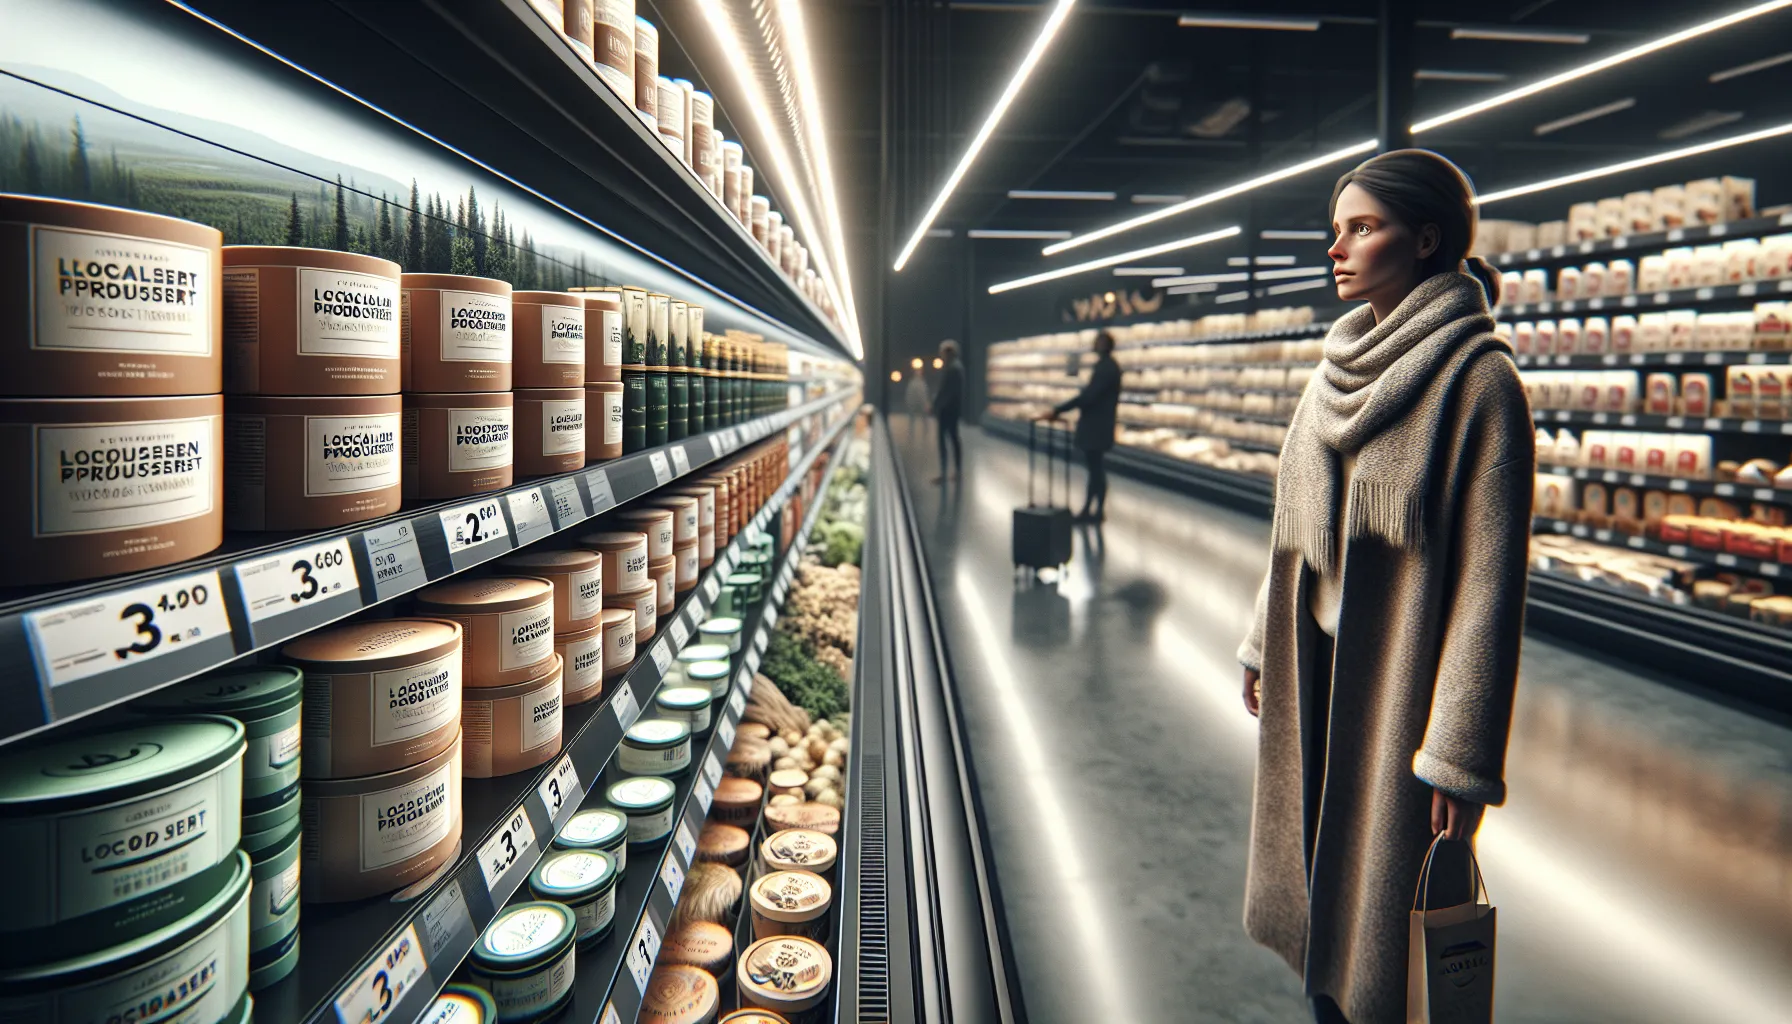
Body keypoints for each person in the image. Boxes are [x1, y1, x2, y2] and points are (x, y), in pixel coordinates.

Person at [1235, 149, 1531, 1024]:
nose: (1339, 248)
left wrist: (1459, 753)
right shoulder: (1334, 372)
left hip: (1400, 683)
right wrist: (1261, 640)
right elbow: (1293, 528)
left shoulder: (1479, 382)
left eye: (1363, 228)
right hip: (1314, 665)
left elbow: (1488, 586)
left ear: (1426, 238)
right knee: (1316, 867)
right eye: (1337, 231)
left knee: (1382, 909)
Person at [1045, 329, 1122, 522]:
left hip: (1097, 425)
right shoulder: (1107, 366)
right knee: (1095, 469)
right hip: (1100, 424)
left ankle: (1092, 510)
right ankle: (1092, 509)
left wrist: (1059, 409)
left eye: (1097, 342)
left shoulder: (1106, 368)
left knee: (1095, 469)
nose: (1094, 345)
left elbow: (1089, 397)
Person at [931, 339, 965, 484]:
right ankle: (956, 471)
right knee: (953, 439)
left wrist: (936, 405)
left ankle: (945, 473)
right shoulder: (956, 368)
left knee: (944, 440)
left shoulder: (952, 369)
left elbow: (945, 392)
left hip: (947, 410)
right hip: (953, 409)